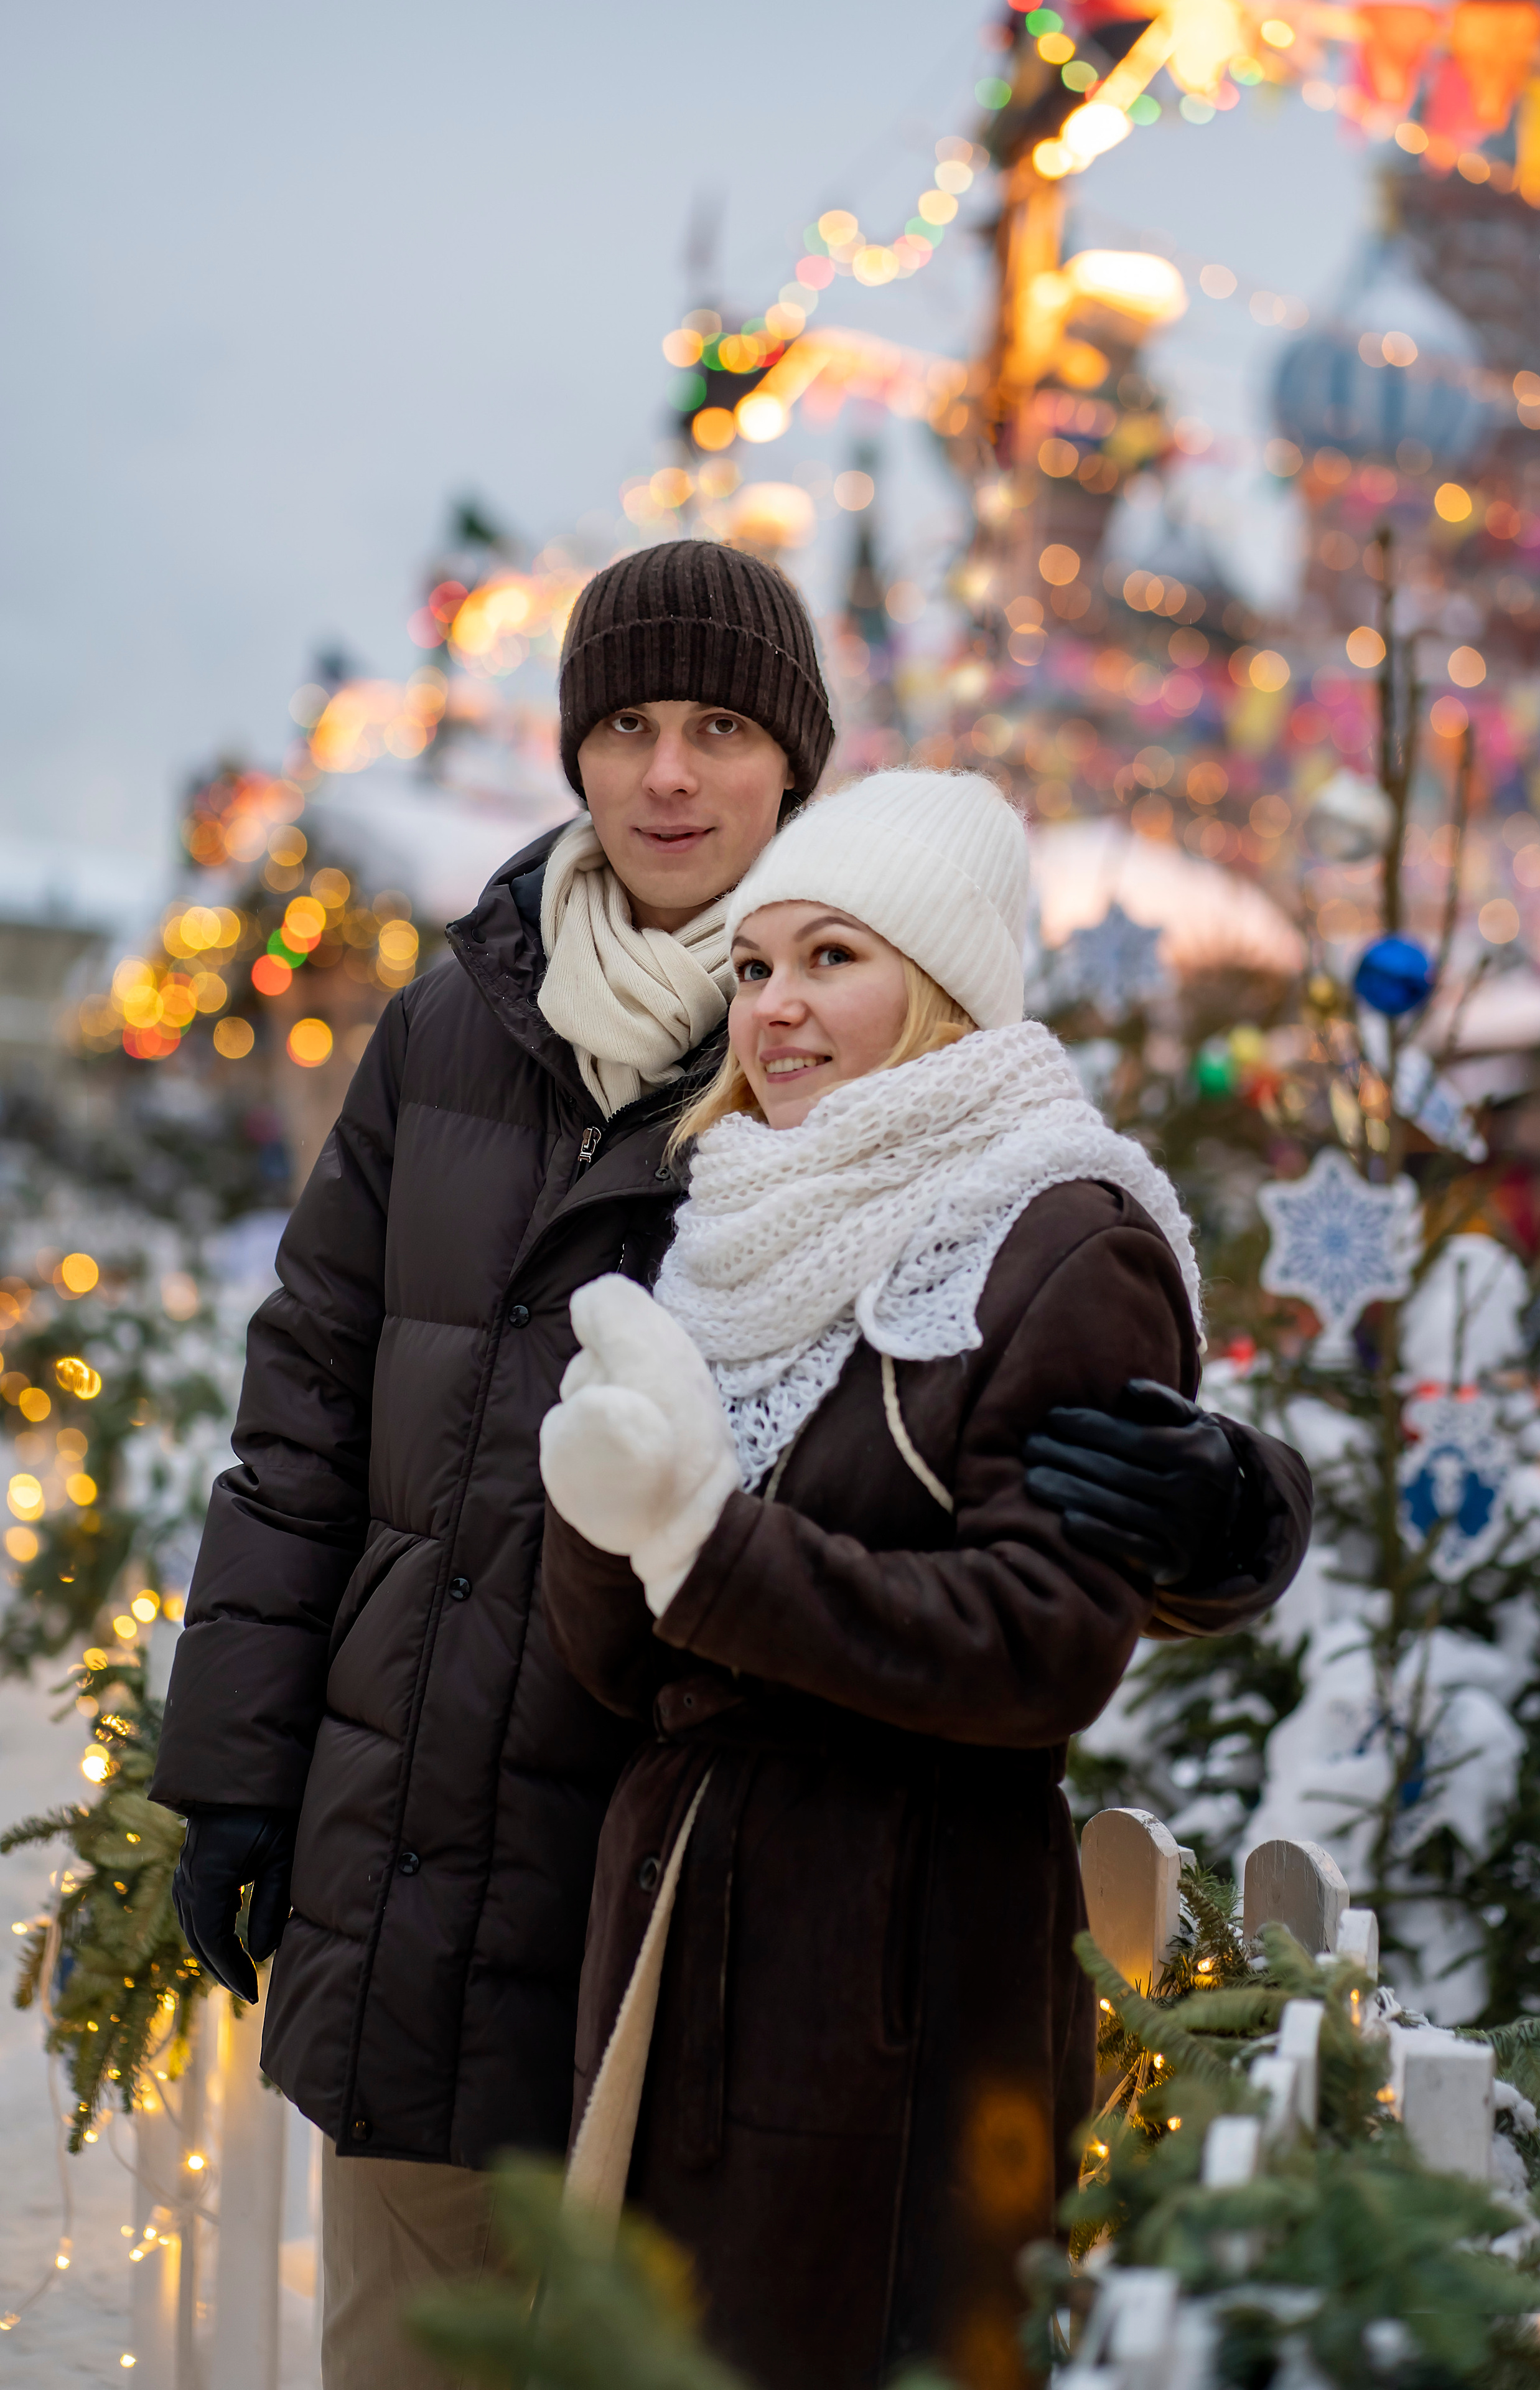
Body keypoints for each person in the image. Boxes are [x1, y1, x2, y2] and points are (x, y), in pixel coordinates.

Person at [147, 546, 1304, 2388]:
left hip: (701, 1912)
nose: (669, 777)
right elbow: (304, 1413)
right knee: (401, 2345)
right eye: (625, 726)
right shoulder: (453, 1024)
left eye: (720, 730)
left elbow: (1046, 1320)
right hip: (427, 1851)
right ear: (574, 753)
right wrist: (231, 1779)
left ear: (799, 766)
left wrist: (1234, 1509)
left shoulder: (870, 1027)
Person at [536, 767, 1309, 2390]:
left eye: (834, 959)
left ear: (943, 984)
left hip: (891, 1959)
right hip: (685, 1924)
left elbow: (1038, 1647)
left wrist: (705, 1538)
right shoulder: (728, 1226)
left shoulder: (1057, 1233)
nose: (778, 1011)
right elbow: (633, 1666)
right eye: (754, 968)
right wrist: (602, 1522)